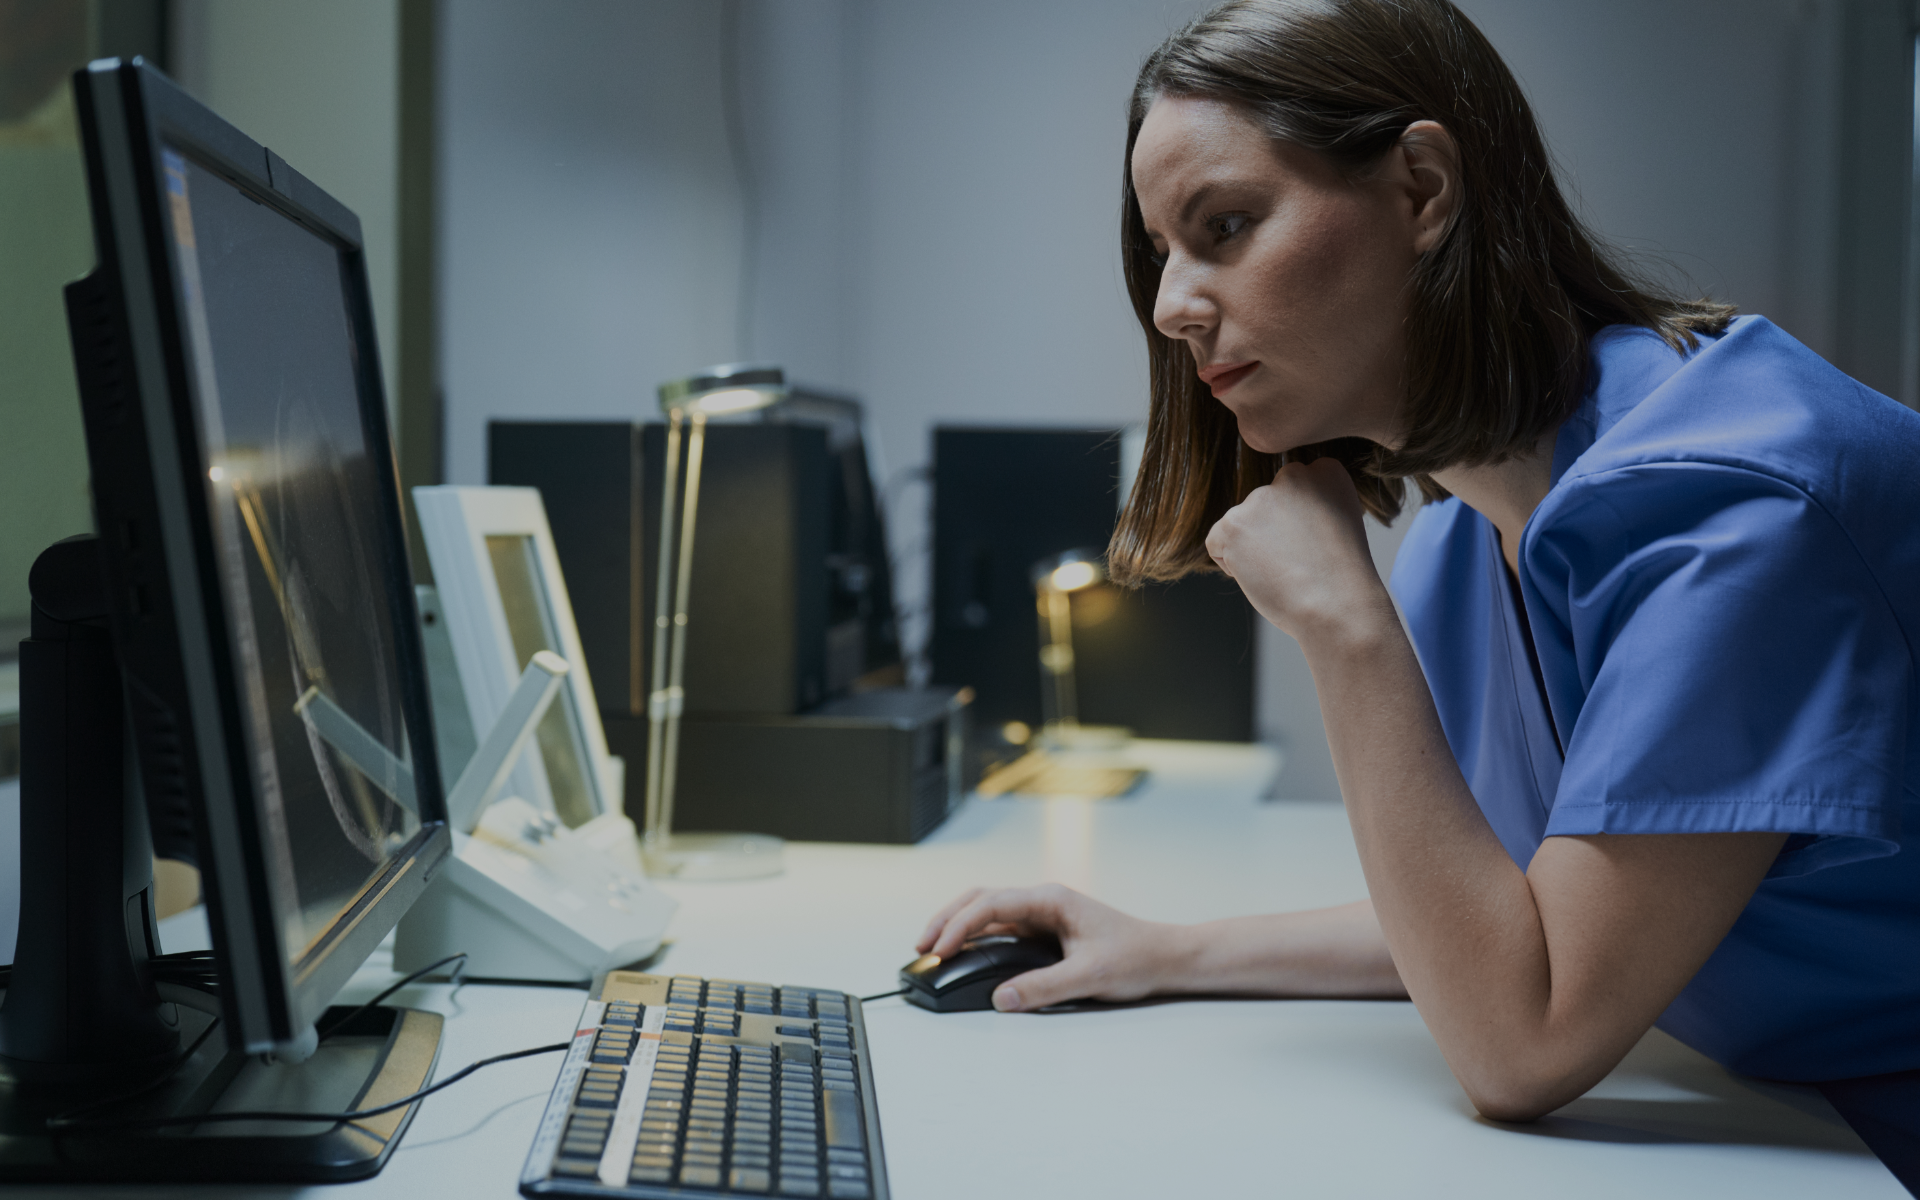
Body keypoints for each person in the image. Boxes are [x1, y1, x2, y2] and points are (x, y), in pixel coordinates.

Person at [916, 0, 1920, 1169]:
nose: (1170, 305)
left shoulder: (1730, 513)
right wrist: (1161, 952)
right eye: (1163, 253)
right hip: (1798, 1122)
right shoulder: (1464, 538)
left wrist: (1345, 627)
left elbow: (1522, 1042)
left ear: (1424, 191)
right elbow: (1506, 929)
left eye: (1226, 225)